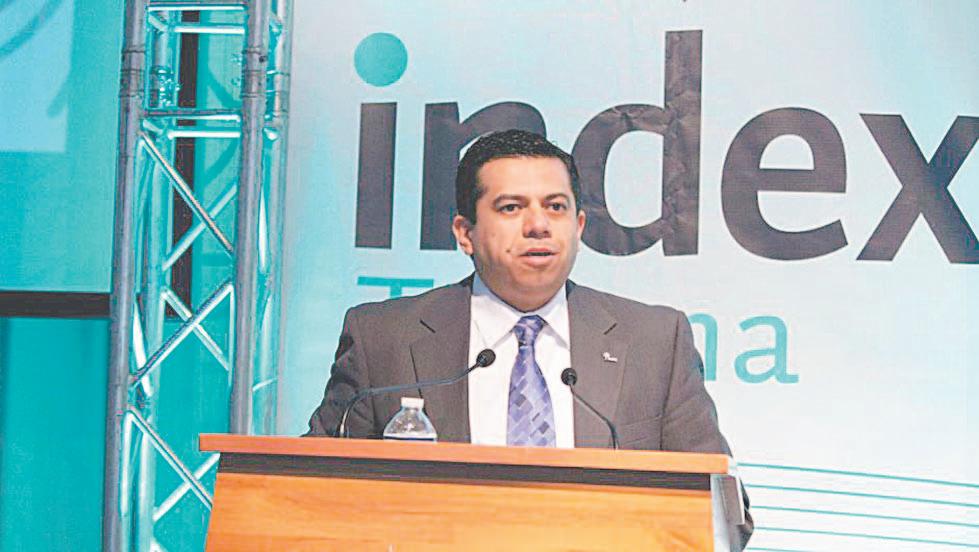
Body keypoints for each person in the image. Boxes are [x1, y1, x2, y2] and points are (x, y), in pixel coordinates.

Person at [305, 129, 751, 544]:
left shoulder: (655, 341)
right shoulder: (383, 338)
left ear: (578, 226)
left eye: (555, 207)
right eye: (511, 208)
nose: (538, 225)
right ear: (465, 233)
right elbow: (306, 497)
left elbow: (723, 512)